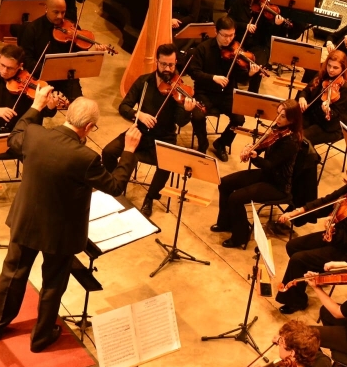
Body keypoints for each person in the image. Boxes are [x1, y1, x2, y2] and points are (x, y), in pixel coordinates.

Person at [0, 88, 141, 352]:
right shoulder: (86, 158)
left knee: (13, 272)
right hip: (60, 232)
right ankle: (41, 336)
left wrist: (36, 105)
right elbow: (115, 186)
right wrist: (128, 151)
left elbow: (14, 138)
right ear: (89, 127)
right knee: (53, 283)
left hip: (27, 220)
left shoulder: (34, 135)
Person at [0, 45, 59, 214]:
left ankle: (34, 198)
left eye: (10, 68)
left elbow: (47, 113)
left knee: (39, 160)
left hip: (21, 136)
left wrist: (51, 106)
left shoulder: (32, 85)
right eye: (2, 65)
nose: (4, 71)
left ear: (20, 66)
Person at [102, 44, 196, 217]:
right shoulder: (143, 81)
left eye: (172, 65)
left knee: (168, 163)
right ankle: (115, 184)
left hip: (164, 137)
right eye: (164, 64)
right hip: (139, 132)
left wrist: (188, 111)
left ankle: (150, 198)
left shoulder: (180, 90)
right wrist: (139, 114)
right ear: (156, 61)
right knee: (108, 151)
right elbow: (124, 106)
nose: (168, 69)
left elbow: (180, 122)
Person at [276, 156, 347, 313]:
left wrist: (332, 228)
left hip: (344, 250)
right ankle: (310, 278)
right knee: (293, 246)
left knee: (298, 260)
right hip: (333, 239)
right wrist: (295, 212)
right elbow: (325, 202)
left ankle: (297, 301)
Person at [211, 100, 303, 249]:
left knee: (236, 198)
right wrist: (252, 148)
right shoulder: (278, 129)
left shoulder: (291, 141)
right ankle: (225, 222)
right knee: (224, 183)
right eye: (278, 113)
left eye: (283, 116)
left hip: (277, 184)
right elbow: (263, 145)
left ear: (292, 119)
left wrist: (254, 157)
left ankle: (240, 236)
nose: (277, 118)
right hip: (267, 175)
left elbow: (268, 164)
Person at [189, 17, 262, 158]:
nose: (229, 40)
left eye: (232, 35)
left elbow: (241, 78)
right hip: (205, 92)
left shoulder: (236, 51)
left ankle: (221, 143)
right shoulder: (203, 49)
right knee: (197, 115)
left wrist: (250, 74)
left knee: (239, 120)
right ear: (216, 32)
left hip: (227, 94)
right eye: (225, 35)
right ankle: (203, 144)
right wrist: (213, 78)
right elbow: (194, 73)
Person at [18, 0, 107, 102]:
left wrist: (93, 51)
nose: (60, 16)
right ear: (46, 8)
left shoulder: (72, 27)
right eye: (56, 12)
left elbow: (78, 54)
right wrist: (48, 70)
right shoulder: (33, 29)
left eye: (63, 12)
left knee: (79, 104)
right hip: (41, 77)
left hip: (66, 77)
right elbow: (26, 59)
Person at [231, 0, 284, 94]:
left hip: (258, 43)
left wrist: (276, 24)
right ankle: (233, 89)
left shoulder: (266, 5)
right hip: (241, 40)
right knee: (233, 59)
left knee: (258, 62)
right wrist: (246, 26)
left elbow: (270, 33)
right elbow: (230, 22)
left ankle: (252, 92)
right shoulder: (239, 3)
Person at [297, 50, 347, 145]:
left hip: (326, 125)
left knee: (300, 138)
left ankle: (310, 157)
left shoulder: (344, 89)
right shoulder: (322, 75)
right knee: (287, 127)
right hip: (311, 115)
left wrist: (327, 110)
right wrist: (302, 97)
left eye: (335, 67)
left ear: (343, 68)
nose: (331, 70)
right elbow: (306, 90)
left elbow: (336, 113)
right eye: (329, 66)